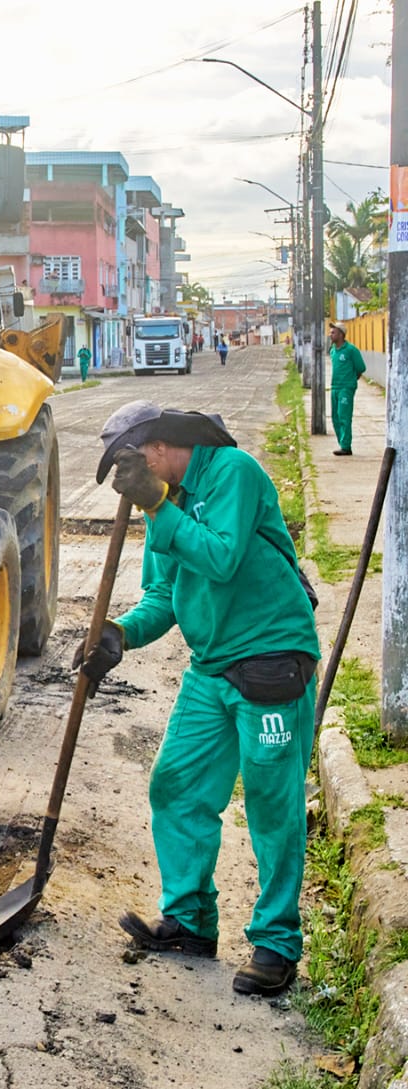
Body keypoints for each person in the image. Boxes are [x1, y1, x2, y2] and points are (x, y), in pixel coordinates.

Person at [77, 400, 319, 998]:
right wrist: (120, 634)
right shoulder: (162, 505)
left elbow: (220, 556)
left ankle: (276, 943)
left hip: (269, 661)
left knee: (270, 805)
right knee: (177, 785)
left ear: (158, 448)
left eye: (131, 463)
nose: (128, 480)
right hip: (211, 668)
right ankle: (189, 922)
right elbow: (163, 596)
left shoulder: (231, 472)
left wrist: (159, 506)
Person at [328, 323, 367, 456]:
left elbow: (360, 368)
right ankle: (342, 443)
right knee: (335, 417)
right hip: (334, 387)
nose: (330, 334)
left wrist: (350, 381)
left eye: (333, 332)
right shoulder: (333, 350)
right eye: (330, 332)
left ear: (341, 334)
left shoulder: (351, 350)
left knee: (344, 416)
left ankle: (346, 446)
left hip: (346, 387)